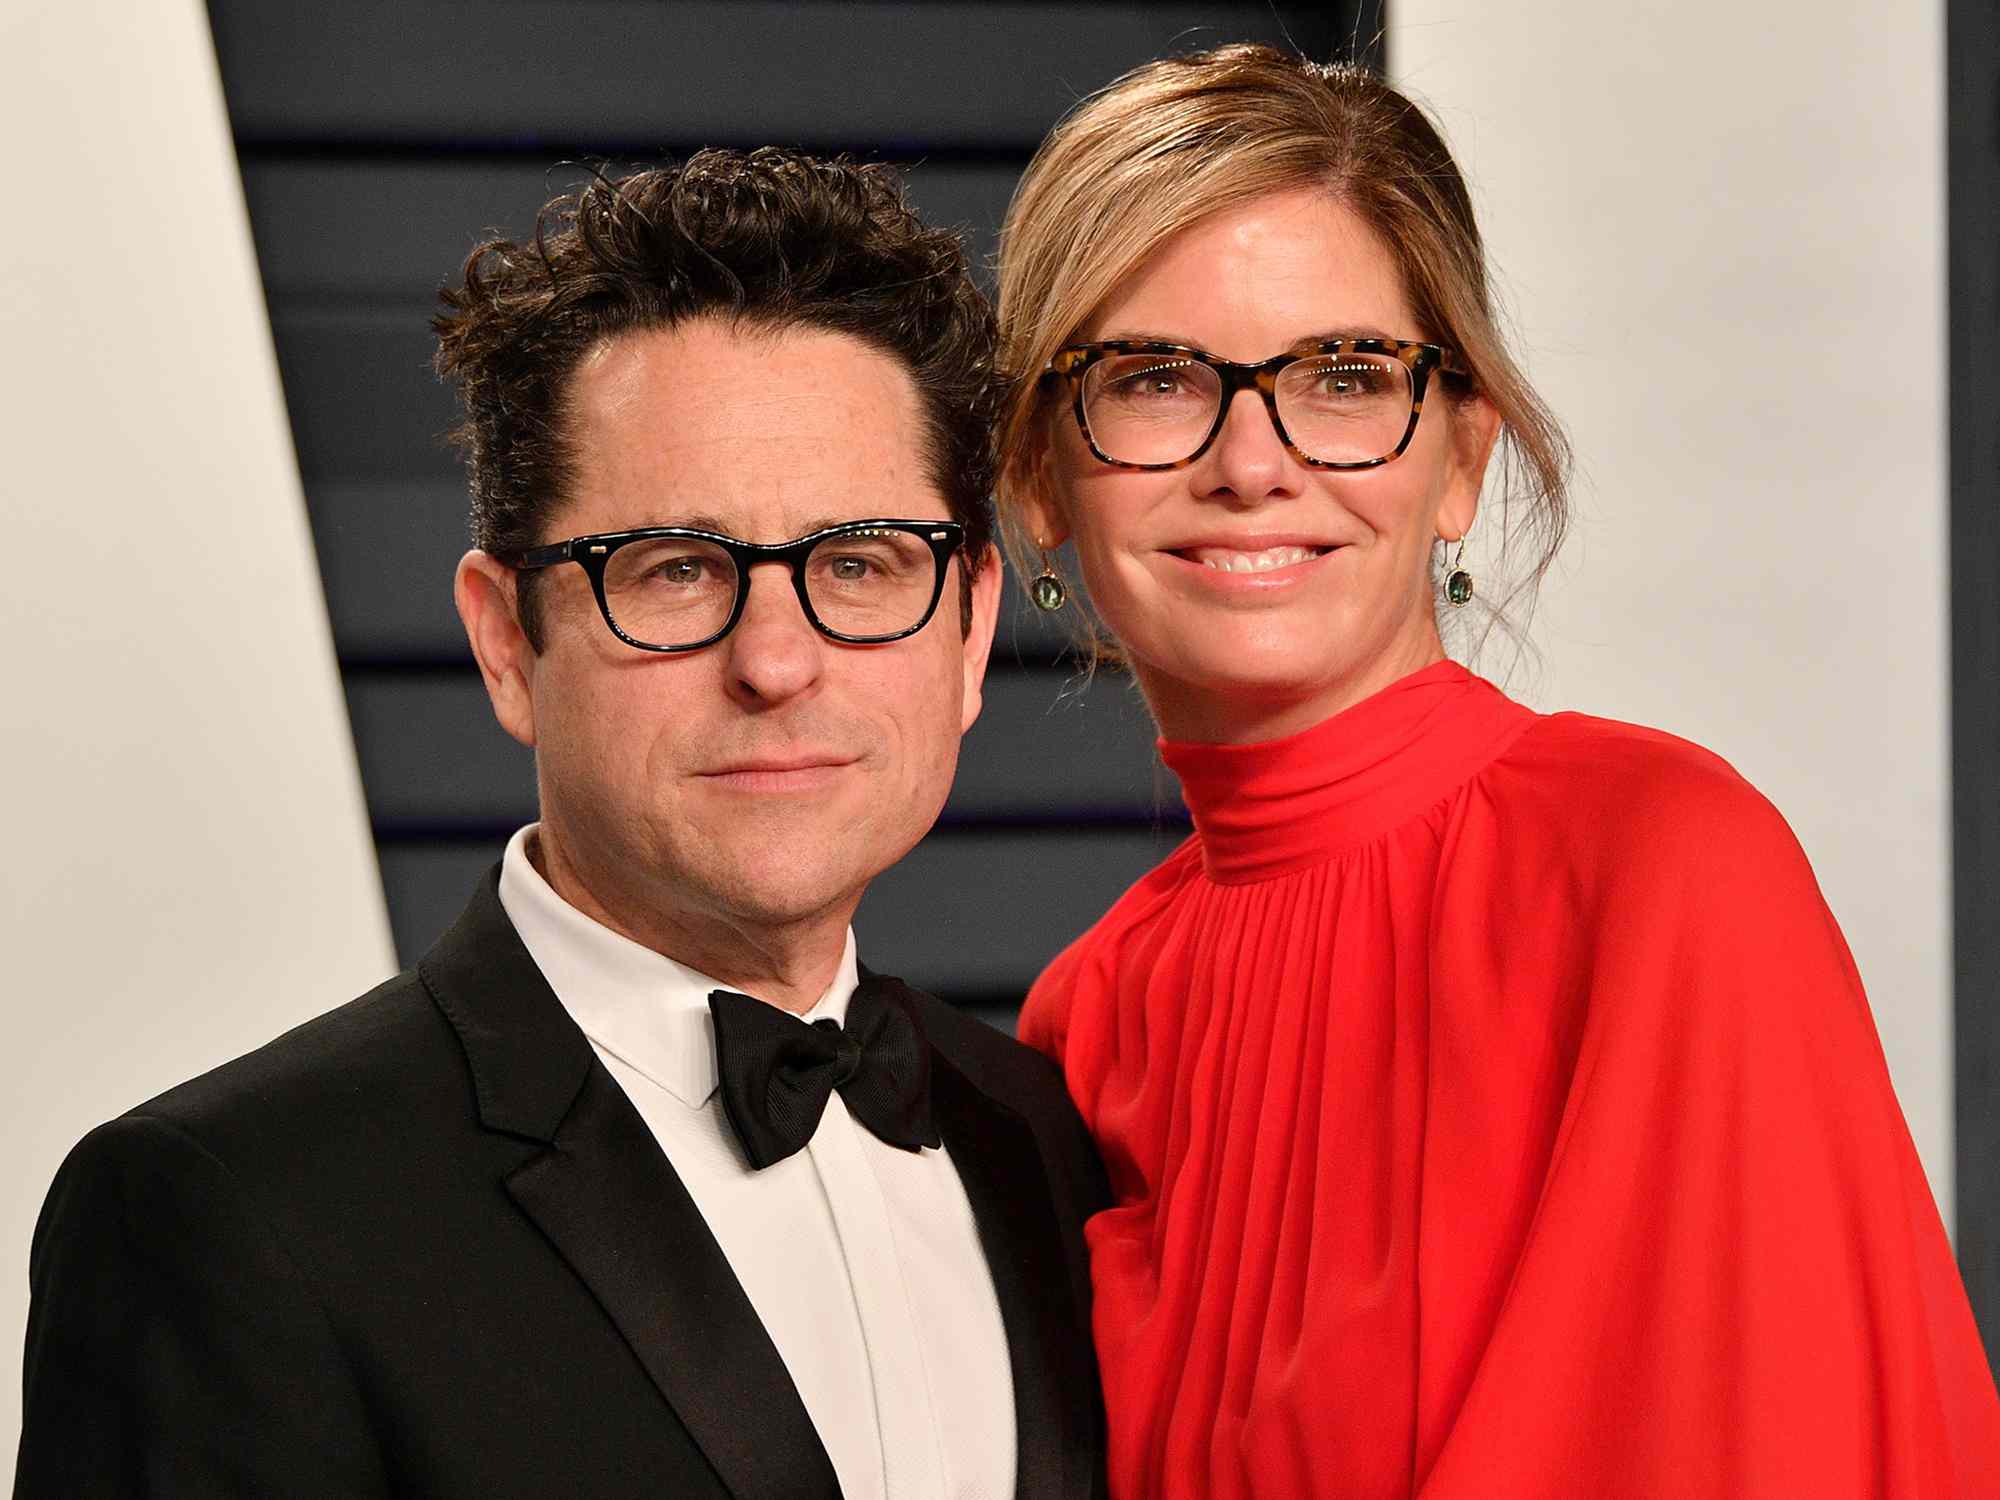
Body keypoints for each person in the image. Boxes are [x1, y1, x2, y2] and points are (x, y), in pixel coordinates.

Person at [15, 148, 1107, 1499]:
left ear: (970, 627)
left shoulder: (1054, 1148)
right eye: (675, 571)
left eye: (855, 564)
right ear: (506, 644)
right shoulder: (226, 1215)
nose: (777, 662)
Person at [992, 43, 2000, 1499]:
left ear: (1460, 457)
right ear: (1040, 472)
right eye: (1154, 380)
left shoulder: (1658, 867)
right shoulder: (1087, 1022)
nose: (1253, 460)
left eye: (1341, 376)